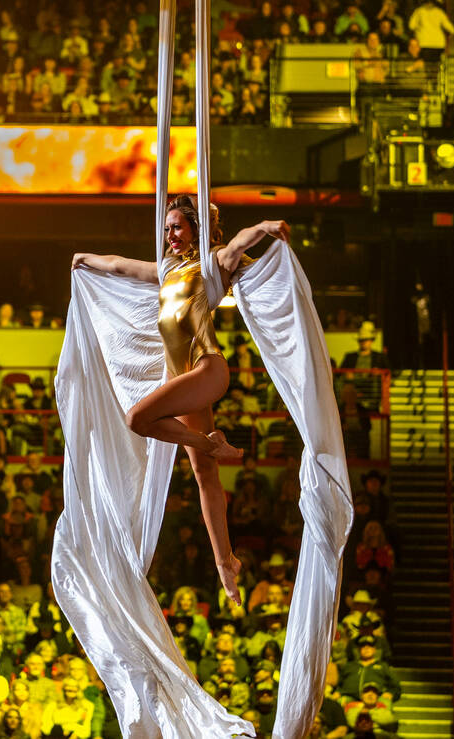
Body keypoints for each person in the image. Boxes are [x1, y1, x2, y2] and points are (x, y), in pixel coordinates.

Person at [71, 195, 290, 601]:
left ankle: (210, 443)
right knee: (205, 475)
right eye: (167, 228)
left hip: (206, 370)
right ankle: (226, 562)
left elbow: (239, 243)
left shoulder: (210, 265)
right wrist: (86, 258)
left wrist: (264, 228)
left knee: (137, 419)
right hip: (183, 379)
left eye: (177, 227)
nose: (170, 235)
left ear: (195, 230)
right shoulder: (168, 269)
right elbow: (122, 266)